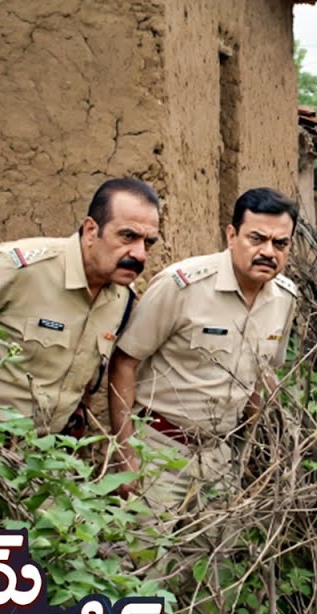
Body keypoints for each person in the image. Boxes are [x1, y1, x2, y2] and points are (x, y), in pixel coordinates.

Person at [0, 178, 158, 436]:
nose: (140, 254)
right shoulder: (21, 267)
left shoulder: (121, 297)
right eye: (128, 236)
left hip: (43, 449)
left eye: (149, 242)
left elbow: (81, 375)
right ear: (91, 231)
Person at [108, 187, 300, 512]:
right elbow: (124, 363)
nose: (268, 252)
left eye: (280, 244)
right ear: (231, 235)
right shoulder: (182, 286)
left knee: (216, 545)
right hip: (159, 450)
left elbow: (263, 376)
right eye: (257, 239)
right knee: (148, 544)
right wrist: (126, 453)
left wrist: (253, 451)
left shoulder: (285, 298)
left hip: (220, 458)